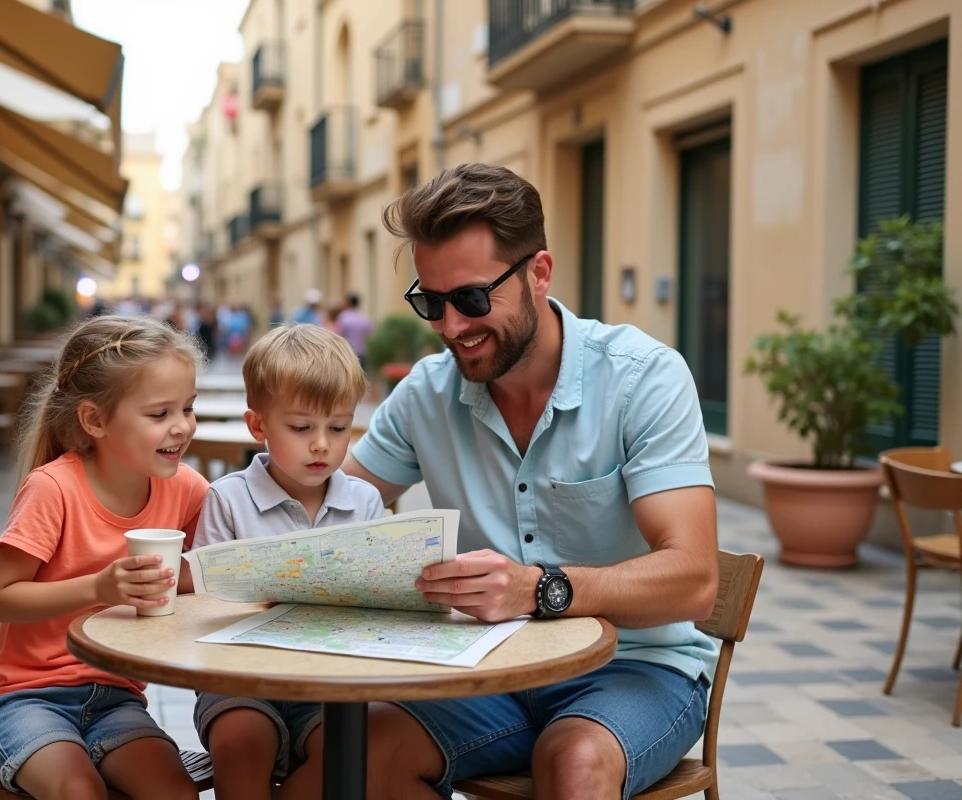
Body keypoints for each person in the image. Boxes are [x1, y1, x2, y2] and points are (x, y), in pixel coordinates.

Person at [309, 163, 720, 799]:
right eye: (431, 303)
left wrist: (539, 589)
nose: (450, 327)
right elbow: (331, 511)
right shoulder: (426, 393)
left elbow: (694, 580)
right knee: (354, 752)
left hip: (635, 666)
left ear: (539, 273)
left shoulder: (643, 377)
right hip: (484, 671)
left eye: (472, 299)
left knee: (574, 762)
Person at [0, 315, 209, 800]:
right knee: (80, 792)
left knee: (177, 794)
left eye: (187, 407)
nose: (182, 426)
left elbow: (212, 565)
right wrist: (98, 588)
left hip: (117, 698)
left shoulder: (184, 487)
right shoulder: (53, 489)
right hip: (24, 698)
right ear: (95, 420)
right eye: (160, 414)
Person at [189, 323, 385, 800]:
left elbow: (382, 600)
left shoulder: (365, 503)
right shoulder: (228, 499)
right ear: (258, 426)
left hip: (330, 684)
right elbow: (201, 602)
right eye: (301, 428)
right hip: (237, 676)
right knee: (240, 741)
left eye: (338, 428)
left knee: (352, 749)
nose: (321, 444)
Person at [333, 292, 373, 371]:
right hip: (361, 352)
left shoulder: (343, 317)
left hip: (348, 352)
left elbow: (338, 334)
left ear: (347, 302)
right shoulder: (364, 318)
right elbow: (369, 335)